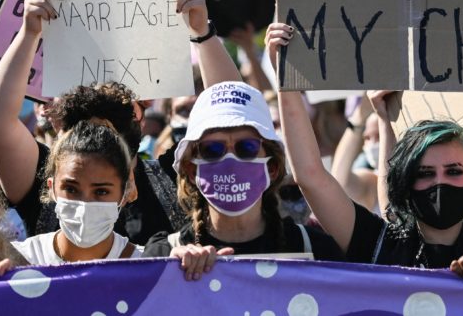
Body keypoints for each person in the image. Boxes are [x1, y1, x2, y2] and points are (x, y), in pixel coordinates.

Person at [0, 0, 242, 245]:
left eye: (119, 116)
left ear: (140, 115)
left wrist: (202, 33)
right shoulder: (40, 176)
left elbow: (232, 119)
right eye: (84, 126)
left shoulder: (174, 177)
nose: (99, 140)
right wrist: (30, 34)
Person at [267, 24, 463, 279]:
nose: (440, 182)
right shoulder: (378, 244)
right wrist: (287, 80)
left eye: (454, 171)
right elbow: (311, 176)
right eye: (425, 173)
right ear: (405, 185)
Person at [142, 80, 344, 276]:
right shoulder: (164, 253)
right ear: (192, 170)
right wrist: (165, 272)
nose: (230, 160)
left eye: (247, 147)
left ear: (272, 168)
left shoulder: (316, 249)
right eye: (213, 149)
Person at [11, 120, 142, 264]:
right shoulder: (20, 260)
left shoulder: (148, 266)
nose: (84, 205)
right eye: (71, 189)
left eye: (101, 191)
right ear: (52, 187)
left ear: (124, 194)